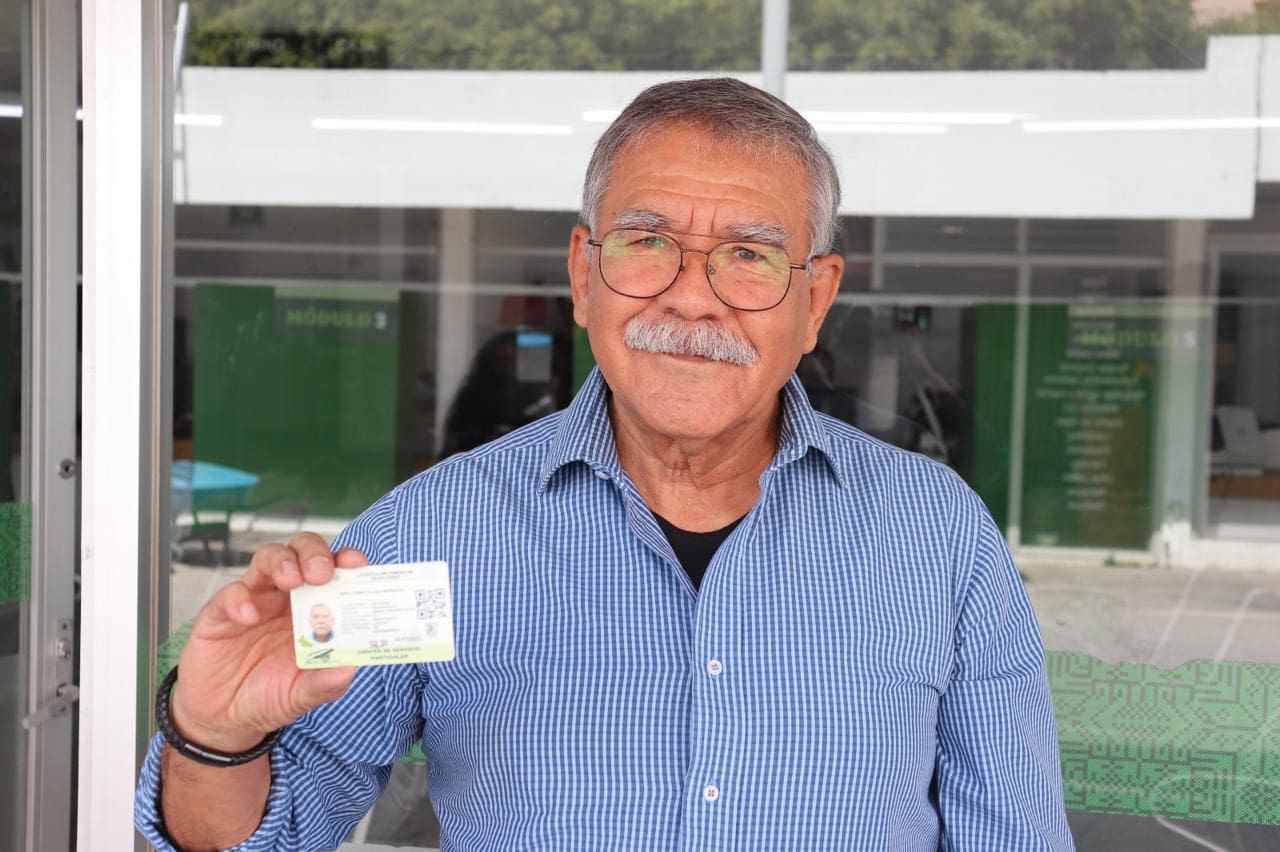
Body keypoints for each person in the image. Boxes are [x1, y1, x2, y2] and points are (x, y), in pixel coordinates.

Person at [135, 78, 1074, 850]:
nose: (693, 298)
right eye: (647, 242)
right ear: (584, 276)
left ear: (815, 300)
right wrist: (214, 737)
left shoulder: (936, 536)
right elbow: (262, 835)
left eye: (749, 256)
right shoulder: (434, 534)